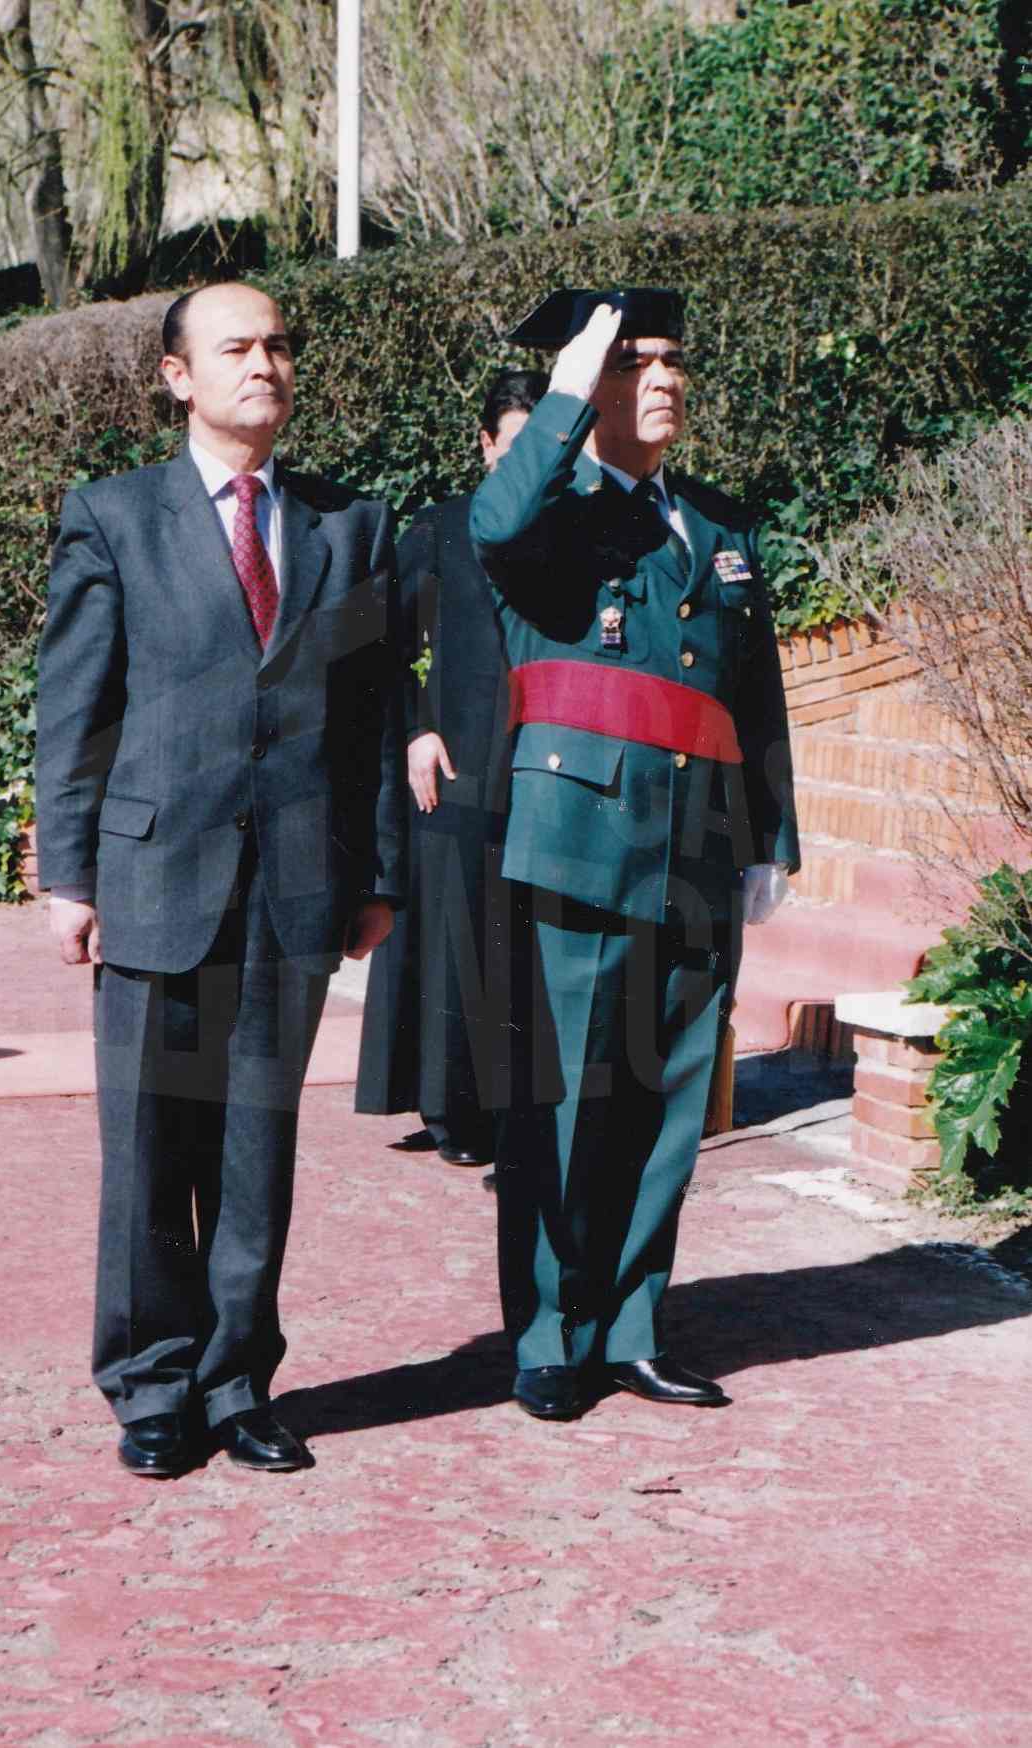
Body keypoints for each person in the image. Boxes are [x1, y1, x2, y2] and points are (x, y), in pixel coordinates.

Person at [36, 282, 403, 1477]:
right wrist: (70, 874)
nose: (266, 364)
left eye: (281, 345)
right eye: (237, 347)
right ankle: (150, 1383)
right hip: (154, 878)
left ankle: (238, 1378)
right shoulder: (112, 517)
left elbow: (372, 717)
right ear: (177, 374)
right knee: (148, 1147)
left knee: (255, 1149)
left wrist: (379, 873)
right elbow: (75, 714)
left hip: (294, 888)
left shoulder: (350, 526)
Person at [469, 286, 799, 1421]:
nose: (659, 379)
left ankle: (633, 1325)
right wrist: (566, 385)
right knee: (566, 1102)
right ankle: (552, 1334)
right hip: (574, 841)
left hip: (699, 842)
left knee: (664, 1101)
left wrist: (771, 838)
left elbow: (757, 697)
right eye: (631, 363)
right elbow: (494, 524)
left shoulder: (716, 526)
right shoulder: (548, 516)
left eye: (670, 362)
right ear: (591, 388)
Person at [355, 369, 547, 1168]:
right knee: (459, 936)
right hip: (458, 761)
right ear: (485, 446)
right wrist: (415, 733)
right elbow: (380, 646)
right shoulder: (441, 528)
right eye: (514, 445)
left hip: (544, 767)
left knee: (528, 941)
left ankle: (527, 1105)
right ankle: (454, 1109)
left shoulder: (578, 534)